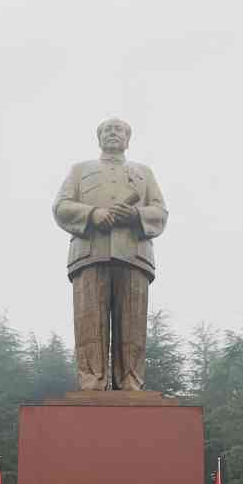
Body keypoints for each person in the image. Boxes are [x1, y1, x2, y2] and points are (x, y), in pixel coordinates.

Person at [53, 118, 168, 391]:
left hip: (134, 255)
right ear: (99, 138)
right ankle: (91, 381)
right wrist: (93, 214)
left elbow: (161, 212)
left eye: (119, 130)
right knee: (89, 321)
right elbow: (61, 206)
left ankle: (130, 382)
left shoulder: (145, 173)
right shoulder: (80, 170)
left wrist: (136, 214)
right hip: (90, 253)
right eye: (107, 130)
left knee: (133, 324)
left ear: (128, 139)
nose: (113, 133)